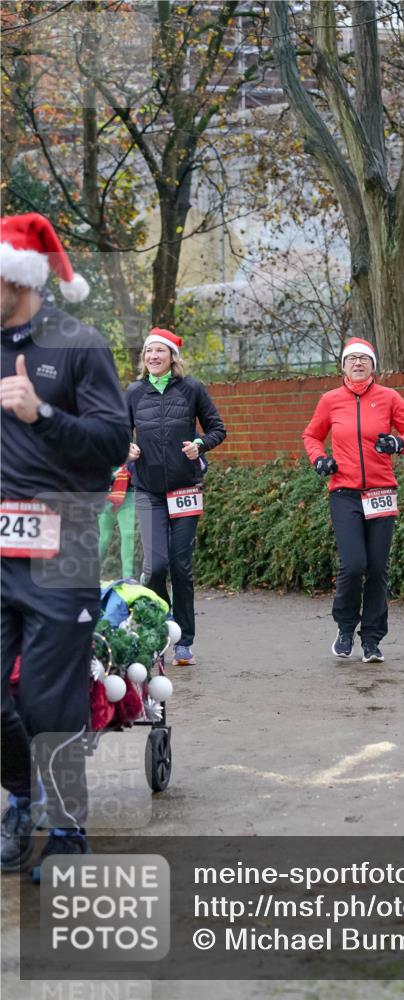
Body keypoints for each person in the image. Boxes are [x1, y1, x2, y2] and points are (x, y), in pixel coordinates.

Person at [0, 212, 130, 875]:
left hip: (63, 546)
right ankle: (22, 796)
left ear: (14, 278)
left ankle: (67, 828)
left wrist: (41, 414)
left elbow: (111, 446)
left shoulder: (79, 343)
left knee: (48, 702)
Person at [303, 337, 404, 663]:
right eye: (352, 359)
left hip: (381, 492)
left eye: (364, 359)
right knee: (354, 564)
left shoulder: (389, 397)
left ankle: (372, 639)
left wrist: (398, 444)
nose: (358, 364)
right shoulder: (330, 400)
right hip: (344, 493)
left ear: (373, 366)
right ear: (343, 366)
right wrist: (319, 459)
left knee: (377, 568)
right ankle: (345, 627)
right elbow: (312, 435)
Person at [126, 328, 226, 666]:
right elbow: (116, 433)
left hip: (185, 489)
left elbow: (217, 429)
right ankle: (161, 628)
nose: (153, 357)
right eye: (148, 352)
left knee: (180, 567)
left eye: (160, 351)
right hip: (148, 490)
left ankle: (184, 639)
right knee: (155, 568)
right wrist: (127, 451)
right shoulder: (134, 392)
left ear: (172, 357)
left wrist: (199, 444)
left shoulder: (192, 389)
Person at [98, 462, 136, 579]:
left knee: (128, 534)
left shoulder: (131, 447)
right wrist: (113, 474)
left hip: (127, 495)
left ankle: (127, 577)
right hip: (106, 496)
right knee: (103, 537)